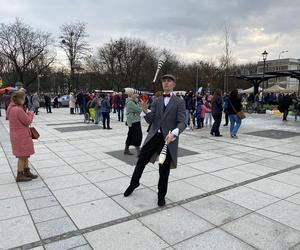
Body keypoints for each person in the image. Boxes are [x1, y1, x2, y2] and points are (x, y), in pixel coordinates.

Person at [124, 74, 186, 207]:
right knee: (140, 161)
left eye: (169, 81)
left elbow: (183, 122)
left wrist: (174, 133)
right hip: (153, 137)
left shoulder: (179, 102)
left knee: (164, 170)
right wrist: (145, 111)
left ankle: (161, 195)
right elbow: (151, 120)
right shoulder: (157, 100)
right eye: (164, 81)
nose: (166, 83)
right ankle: (134, 183)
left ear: (174, 84)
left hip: (168, 139)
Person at [7, 91, 38, 182]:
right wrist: (31, 112)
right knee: (22, 156)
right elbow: (28, 121)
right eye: (23, 98)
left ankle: (26, 171)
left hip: (18, 135)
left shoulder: (12, 107)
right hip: (21, 136)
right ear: (19, 99)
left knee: (25, 154)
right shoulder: (17, 109)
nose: (24, 100)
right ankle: (20, 174)